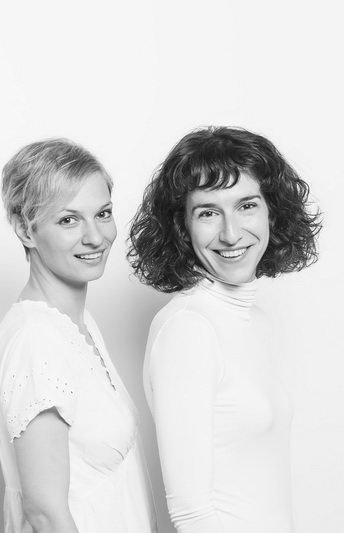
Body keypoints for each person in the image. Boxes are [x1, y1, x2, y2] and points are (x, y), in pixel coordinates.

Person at [128, 126, 321, 533]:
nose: (231, 234)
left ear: (272, 211)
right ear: (182, 226)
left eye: (246, 205)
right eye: (208, 212)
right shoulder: (188, 328)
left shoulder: (255, 321)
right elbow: (191, 511)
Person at [0, 138, 158, 533]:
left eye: (103, 214)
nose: (95, 237)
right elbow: (45, 513)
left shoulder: (76, 324)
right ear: (24, 229)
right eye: (68, 220)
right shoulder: (37, 340)